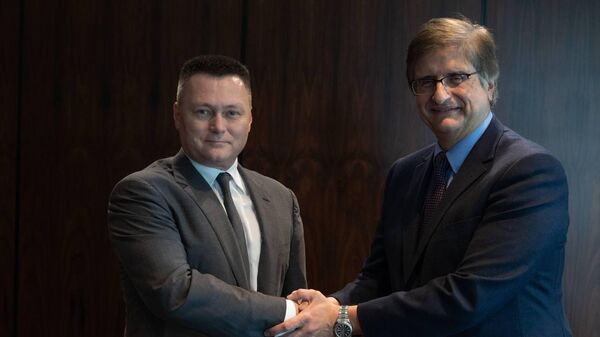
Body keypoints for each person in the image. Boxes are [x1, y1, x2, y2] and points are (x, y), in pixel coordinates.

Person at [265, 16, 571, 337]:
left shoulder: (529, 171)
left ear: (490, 83)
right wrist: (326, 306)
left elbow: (470, 297)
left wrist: (339, 317)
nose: (439, 95)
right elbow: (378, 278)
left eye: (456, 77)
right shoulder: (405, 173)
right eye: (425, 81)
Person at [108, 55, 306, 337]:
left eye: (232, 113)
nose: (218, 126)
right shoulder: (143, 192)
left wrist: (301, 315)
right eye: (203, 112)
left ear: (250, 118)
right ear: (177, 115)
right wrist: (286, 311)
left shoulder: (281, 199)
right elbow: (176, 291)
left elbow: (295, 301)